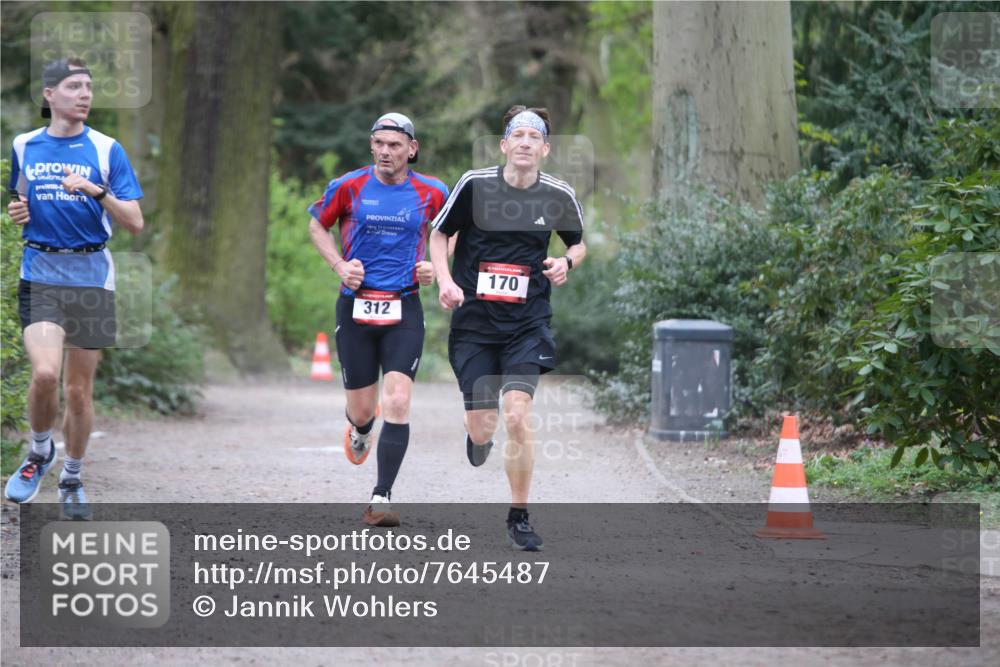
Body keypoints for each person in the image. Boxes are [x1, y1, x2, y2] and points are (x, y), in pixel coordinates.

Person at [429, 105, 586, 551]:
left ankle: (519, 515)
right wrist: (445, 280)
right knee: (483, 426)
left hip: (528, 323)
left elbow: (577, 243)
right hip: (475, 323)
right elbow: (439, 234)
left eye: (533, 138)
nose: (524, 143)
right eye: (516, 135)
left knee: (518, 415)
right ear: (504, 145)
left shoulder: (557, 194)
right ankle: (477, 436)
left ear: (545, 149)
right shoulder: (474, 185)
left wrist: (565, 262)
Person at [4, 58, 144, 519]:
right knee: (45, 374)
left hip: (91, 278)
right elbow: (19, 200)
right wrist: (17, 213)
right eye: (73, 86)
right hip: (41, 271)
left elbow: (135, 222)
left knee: (78, 391)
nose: (84, 94)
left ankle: (72, 476)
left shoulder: (106, 150)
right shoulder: (25, 145)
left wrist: (96, 192)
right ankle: (40, 451)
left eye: (89, 86)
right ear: (49, 94)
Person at [308, 112, 448, 527]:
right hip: (356, 306)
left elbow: (448, 232)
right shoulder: (349, 186)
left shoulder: (433, 192)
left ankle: (381, 496)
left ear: (412, 149)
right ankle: (361, 429)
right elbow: (318, 225)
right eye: (379, 143)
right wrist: (338, 265)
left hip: (404, 305)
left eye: (394, 145)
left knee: (399, 401)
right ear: (372, 146)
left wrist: (436, 266)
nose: (386, 151)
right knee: (364, 410)